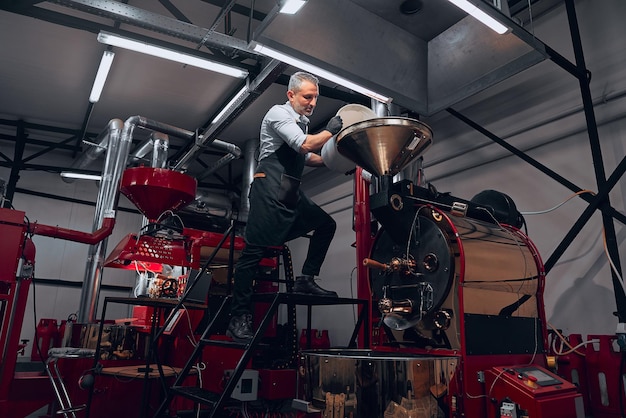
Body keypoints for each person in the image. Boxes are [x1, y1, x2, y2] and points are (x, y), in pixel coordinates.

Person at [227, 71, 343, 343]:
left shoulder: (301, 122)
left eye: (315, 97)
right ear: (291, 95)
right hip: (268, 186)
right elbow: (304, 145)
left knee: (326, 224)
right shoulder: (279, 114)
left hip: (289, 187)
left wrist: (340, 162)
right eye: (307, 97)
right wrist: (330, 130)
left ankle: (306, 279)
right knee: (253, 254)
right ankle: (238, 318)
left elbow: (310, 158)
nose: (312, 102)